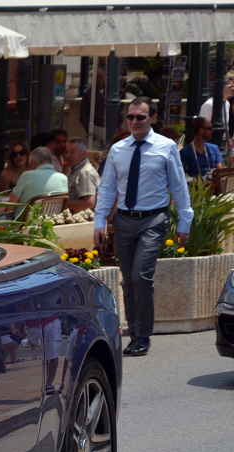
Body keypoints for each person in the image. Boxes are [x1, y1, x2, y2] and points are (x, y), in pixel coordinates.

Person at [95, 96, 192, 357]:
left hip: (154, 220)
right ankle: (135, 334)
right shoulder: (118, 149)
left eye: (140, 116)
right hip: (124, 220)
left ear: (152, 118)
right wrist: (99, 220)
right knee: (128, 281)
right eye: (130, 117)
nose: (135, 121)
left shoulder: (166, 146)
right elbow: (106, 189)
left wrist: (185, 221)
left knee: (141, 276)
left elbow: (179, 187)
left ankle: (144, 336)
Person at [7, 146, 68, 213]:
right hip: (53, 222)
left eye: (30, 165)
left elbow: (9, 210)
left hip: (27, 222)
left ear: (33, 163)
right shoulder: (64, 178)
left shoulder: (27, 175)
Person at [63, 137, 100, 214]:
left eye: (72, 152)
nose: (68, 155)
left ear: (83, 154)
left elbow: (89, 203)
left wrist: (63, 204)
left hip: (82, 222)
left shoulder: (85, 172)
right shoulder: (76, 170)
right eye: (66, 152)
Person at [199, 73, 234, 149]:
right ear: (222, 88)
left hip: (223, 141)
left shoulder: (226, 103)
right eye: (230, 86)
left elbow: (226, 124)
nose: (233, 88)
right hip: (210, 141)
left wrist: (229, 139)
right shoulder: (209, 105)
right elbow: (201, 125)